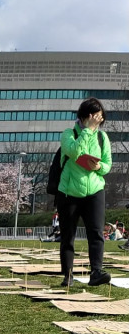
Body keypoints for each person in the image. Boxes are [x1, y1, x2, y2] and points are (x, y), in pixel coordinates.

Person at [56, 97, 112, 288]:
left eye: (100, 117)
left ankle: (96, 272)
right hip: (69, 192)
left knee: (96, 233)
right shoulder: (68, 134)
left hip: (95, 191)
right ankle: (68, 275)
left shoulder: (102, 137)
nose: (98, 120)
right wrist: (87, 130)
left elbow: (107, 165)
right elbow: (74, 152)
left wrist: (98, 167)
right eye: (95, 116)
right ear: (85, 116)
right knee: (67, 235)